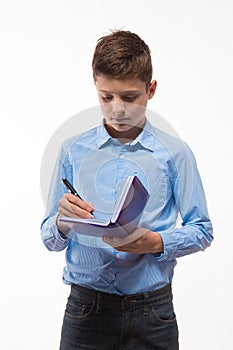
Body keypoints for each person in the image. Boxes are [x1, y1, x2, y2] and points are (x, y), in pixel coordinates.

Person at [41, 30, 213, 350]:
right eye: (106, 97)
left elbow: (202, 230)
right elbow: (48, 237)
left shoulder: (175, 153)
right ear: (96, 87)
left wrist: (155, 242)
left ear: (151, 90)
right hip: (85, 312)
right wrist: (63, 221)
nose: (117, 109)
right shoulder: (71, 151)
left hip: (153, 312)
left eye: (130, 97)